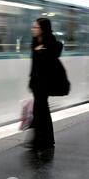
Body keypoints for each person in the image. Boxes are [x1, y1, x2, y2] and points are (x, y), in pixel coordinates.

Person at [27, 17, 61, 150]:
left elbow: (52, 59)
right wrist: (31, 80)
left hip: (45, 84)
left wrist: (44, 50)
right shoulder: (35, 43)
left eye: (35, 27)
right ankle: (44, 140)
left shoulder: (51, 44)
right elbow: (34, 66)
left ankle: (41, 140)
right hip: (36, 83)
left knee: (40, 111)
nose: (33, 29)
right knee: (42, 111)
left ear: (42, 29)